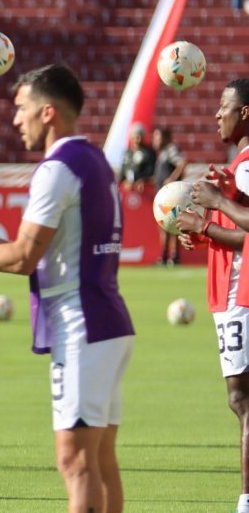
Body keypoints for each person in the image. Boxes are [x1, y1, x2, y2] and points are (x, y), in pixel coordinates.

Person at [0, 64, 135, 512]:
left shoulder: (56, 169)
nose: (16, 120)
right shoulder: (93, 159)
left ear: (48, 113)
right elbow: (51, 252)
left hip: (81, 326)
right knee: (100, 460)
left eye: (22, 109)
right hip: (108, 322)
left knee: (74, 462)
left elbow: (22, 259)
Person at [177, 78, 249, 513]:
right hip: (233, 290)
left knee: (242, 400)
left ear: (245, 113)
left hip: (241, 293)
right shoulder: (240, 163)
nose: (216, 114)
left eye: (224, 106)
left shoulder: (246, 164)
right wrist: (206, 234)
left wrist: (215, 209)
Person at [152, 127, 187, 267]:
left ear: (166, 138)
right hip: (164, 196)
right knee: (166, 226)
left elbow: (182, 162)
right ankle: (167, 256)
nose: (155, 141)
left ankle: (171, 256)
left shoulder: (170, 149)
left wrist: (172, 178)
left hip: (172, 197)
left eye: (158, 137)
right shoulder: (161, 153)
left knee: (171, 226)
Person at [120, 122, 156, 191]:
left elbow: (150, 171)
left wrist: (142, 180)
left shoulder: (149, 152)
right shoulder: (127, 153)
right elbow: (123, 170)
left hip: (143, 189)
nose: (138, 139)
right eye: (136, 136)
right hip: (128, 190)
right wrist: (124, 181)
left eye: (140, 136)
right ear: (132, 137)